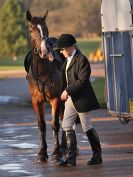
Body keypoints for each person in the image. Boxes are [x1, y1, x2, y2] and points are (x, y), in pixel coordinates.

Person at [54, 34, 102, 167]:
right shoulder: (67, 59)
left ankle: (97, 155)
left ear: (69, 48)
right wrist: (53, 60)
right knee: (66, 125)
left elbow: (82, 80)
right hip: (71, 101)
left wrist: (67, 91)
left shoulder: (82, 60)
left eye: (62, 50)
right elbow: (64, 69)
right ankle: (71, 159)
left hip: (82, 99)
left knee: (87, 127)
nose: (61, 52)